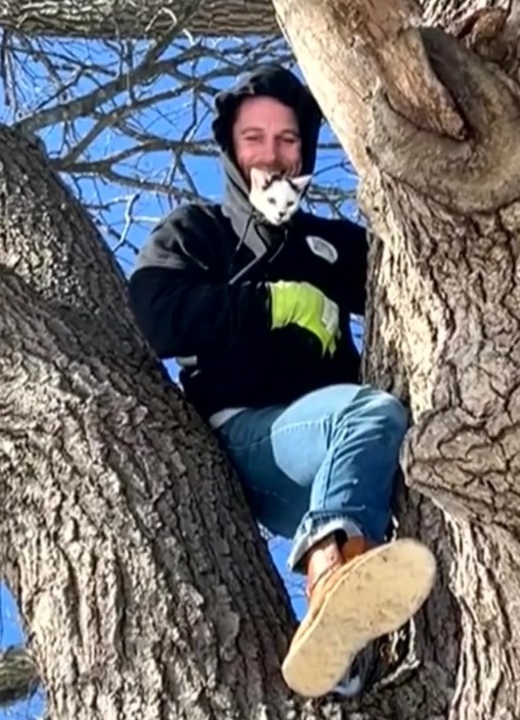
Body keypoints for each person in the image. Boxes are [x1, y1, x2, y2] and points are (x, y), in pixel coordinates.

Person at [125, 64, 437, 699]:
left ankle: (344, 659)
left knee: (394, 451)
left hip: (339, 459)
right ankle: (328, 574)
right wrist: (269, 304)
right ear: (232, 151)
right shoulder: (198, 229)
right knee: (370, 414)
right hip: (250, 438)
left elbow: (417, 261)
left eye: (288, 139)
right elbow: (156, 316)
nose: (272, 154)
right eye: (254, 139)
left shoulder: (331, 243)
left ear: (306, 152)